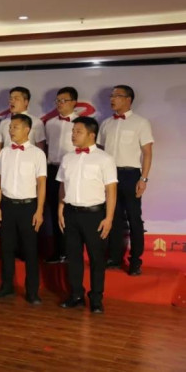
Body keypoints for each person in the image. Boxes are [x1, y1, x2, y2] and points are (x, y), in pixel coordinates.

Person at [58, 117, 117, 314]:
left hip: (94, 215)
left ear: (91, 135)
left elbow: (111, 190)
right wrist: (60, 209)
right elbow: (62, 185)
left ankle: (96, 298)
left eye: (78, 131)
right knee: (73, 257)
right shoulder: (68, 158)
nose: (73, 135)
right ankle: (76, 295)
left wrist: (109, 218)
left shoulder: (104, 159)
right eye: (73, 131)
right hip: (71, 213)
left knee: (96, 259)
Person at [98, 85, 154, 276]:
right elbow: (99, 151)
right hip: (108, 176)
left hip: (130, 175)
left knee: (133, 218)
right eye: (111, 96)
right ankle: (114, 257)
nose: (112, 99)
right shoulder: (106, 123)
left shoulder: (141, 123)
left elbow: (147, 153)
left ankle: (135, 261)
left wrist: (143, 178)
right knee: (111, 216)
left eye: (117, 96)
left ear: (128, 99)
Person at [0, 114, 47, 305]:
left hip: (28, 207)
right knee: (6, 248)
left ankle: (32, 291)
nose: (11, 130)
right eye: (10, 127)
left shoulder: (37, 154)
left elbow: (41, 183)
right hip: (7, 206)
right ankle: (6, 287)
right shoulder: (4, 152)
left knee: (30, 250)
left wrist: (39, 210)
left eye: (15, 127)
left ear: (27, 130)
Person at [45, 87, 79, 263]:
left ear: (74, 102)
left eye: (63, 100)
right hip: (52, 169)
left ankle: (70, 251)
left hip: (72, 171)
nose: (59, 104)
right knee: (53, 211)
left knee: (69, 211)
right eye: (57, 100)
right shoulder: (50, 123)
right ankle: (58, 251)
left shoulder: (80, 123)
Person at [0, 87, 46, 153]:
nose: (12, 101)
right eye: (11, 99)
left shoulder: (36, 122)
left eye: (16, 99)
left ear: (26, 102)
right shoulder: (3, 122)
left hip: (28, 158)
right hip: (7, 158)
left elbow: (40, 148)